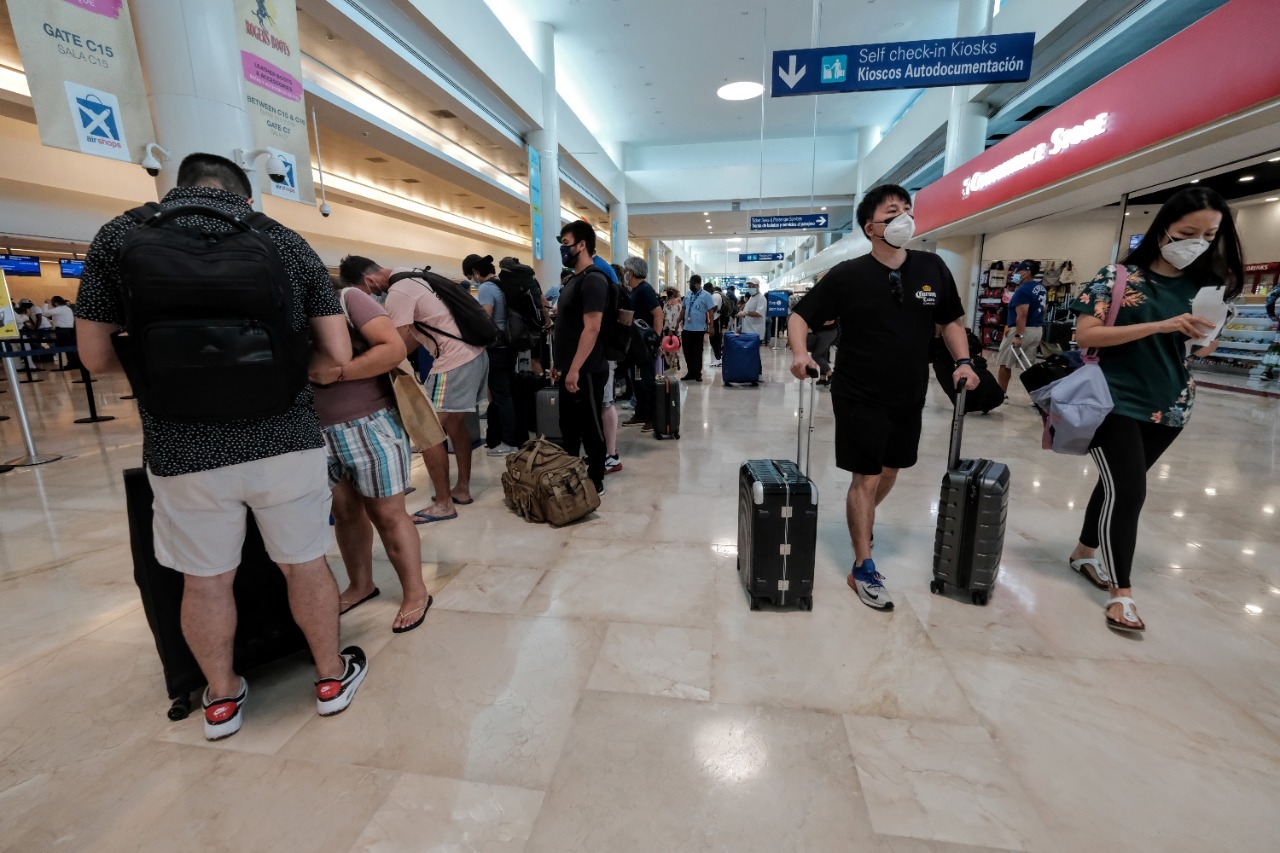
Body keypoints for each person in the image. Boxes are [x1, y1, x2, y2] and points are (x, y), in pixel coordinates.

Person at [75, 152, 367, 740]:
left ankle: (222, 701)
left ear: (176, 188)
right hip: (284, 438)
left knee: (205, 579)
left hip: (182, 447)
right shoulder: (281, 239)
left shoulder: (119, 237)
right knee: (304, 563)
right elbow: (338, 352)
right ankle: (331, 678)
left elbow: (96, 357)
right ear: (246, 195)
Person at [788, 183, 979, 612]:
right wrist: (801, 353)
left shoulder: (932, 267)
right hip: (858, 390)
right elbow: (801, 316)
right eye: (893, 212)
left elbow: (950, 319)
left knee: (892, 470)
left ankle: (861, 519)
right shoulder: (848, 274)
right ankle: (863, 564)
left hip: (910, 390)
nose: (904, 218)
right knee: (867, 476)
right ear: (870, 227)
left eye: (907, 209)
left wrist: (964, 361)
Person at [1065, 186, 1243, 632]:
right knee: (1129, 492)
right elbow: (1085, 335)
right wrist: (1162, 324)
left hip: (1171, 406)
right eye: (1189, 231)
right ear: (1165, 226)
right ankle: (1121, 595)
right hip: (1112, 400)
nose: (1198, 241)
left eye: (1210, 234)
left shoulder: (1208, 287)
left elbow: (1202, 350)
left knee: (1118, 485)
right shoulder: (1119, 277)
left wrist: (1204, 339)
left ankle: (1085, 553)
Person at [311, 282, 430, 633]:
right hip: (313, 432)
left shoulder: (348, 298)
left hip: (369, 424)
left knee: (388, 513)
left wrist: (338, 373)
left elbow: (393, 348)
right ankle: (360, 584)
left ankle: (416, 592)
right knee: (344, 512)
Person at [339, 256, 488, 523]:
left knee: (427, 432)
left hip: (454, 362)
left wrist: (367, 364)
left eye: (366, 294)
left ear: (369, 281)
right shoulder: (411, 273)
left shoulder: (397, 293)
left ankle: (444, 504)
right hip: (473, 354)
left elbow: (395, 343)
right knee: (455, 426)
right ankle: (461, 490)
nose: (370, 299)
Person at [556, 220, 609, 495]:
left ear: (582, 245)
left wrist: (575, 368)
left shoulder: (593, 279)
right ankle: (573, 473)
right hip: (570, 368)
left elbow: (592, 328)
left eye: (566, 245)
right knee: (569, 427)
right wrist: (561, 366)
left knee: (590, 426)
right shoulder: (573, 280)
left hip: (586, 369)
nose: (563, 250)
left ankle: (596, 478)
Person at [466, 254, 520, 456]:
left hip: (496, 348)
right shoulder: (500, 285)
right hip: (508, 346)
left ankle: (509, 442)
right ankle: (514, 436)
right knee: (508, 394)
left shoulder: (486, 288)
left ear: (477, 273)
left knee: (500, 396)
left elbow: (486, 315)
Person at [621, 256, 662, 432]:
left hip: (645, 344)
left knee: (647, 381)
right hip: (634, 344)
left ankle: (652, 417)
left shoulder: (645, 289)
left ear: (632, 272)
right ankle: (640, 413)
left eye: (626, 270)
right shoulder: (633, 291)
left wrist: (655, 339)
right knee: (636, 380)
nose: (624, 273)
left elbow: (658, 314)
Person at [994, 262, 1048, 394]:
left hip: (1021, 330)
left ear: (1027, 272)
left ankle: (1001, 394)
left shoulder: (1023, 290)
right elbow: (1045, 308)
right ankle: (1037, 396)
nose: (1014, 274)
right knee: (1028, 367)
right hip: (1037, 330)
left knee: (1005, 364)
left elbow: (1022, 315)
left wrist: (1019, 336)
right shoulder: (1041, 288)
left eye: (1018, 271)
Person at [680, 274, 716, 382]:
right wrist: (677, 322)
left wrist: (711, 326)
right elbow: (683, 309)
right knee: (687, 352)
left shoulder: (706, 295)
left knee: (697, 352)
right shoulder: (687, 294)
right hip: (686, 328)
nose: (690, 285)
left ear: (698, 284)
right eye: (689, 283)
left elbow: (711, 311)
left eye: (692, 283)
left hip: (699, 329)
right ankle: (690, 372)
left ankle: (697, 373)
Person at [47, 296, 81, 371]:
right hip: (69, 329)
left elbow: (46, 312)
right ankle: (74, 362)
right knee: (70, 347)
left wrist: (46, 304)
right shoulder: (67, 308)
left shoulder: (60, 309)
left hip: (63, 331)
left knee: (67, 347)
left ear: (55, 303)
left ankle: (72, 363)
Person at [661, 287, 683, 373]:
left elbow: (675, 318)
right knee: (668, 347)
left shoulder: (676, 304)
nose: (668, 294)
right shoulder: (667, 302)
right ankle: (671, 364)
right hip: (666, 328)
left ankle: (673, 364)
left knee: (674, 347)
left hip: (673, 329)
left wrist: (671, 329)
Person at [709, 285, 725, 366]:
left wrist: (708, 310)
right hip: (715, 319)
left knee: (715, 339)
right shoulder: (716, 295)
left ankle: (718, 359)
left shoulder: (715, 296)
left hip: (715, 319)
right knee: (715, 339)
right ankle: (718, 358)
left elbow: (714, 308)